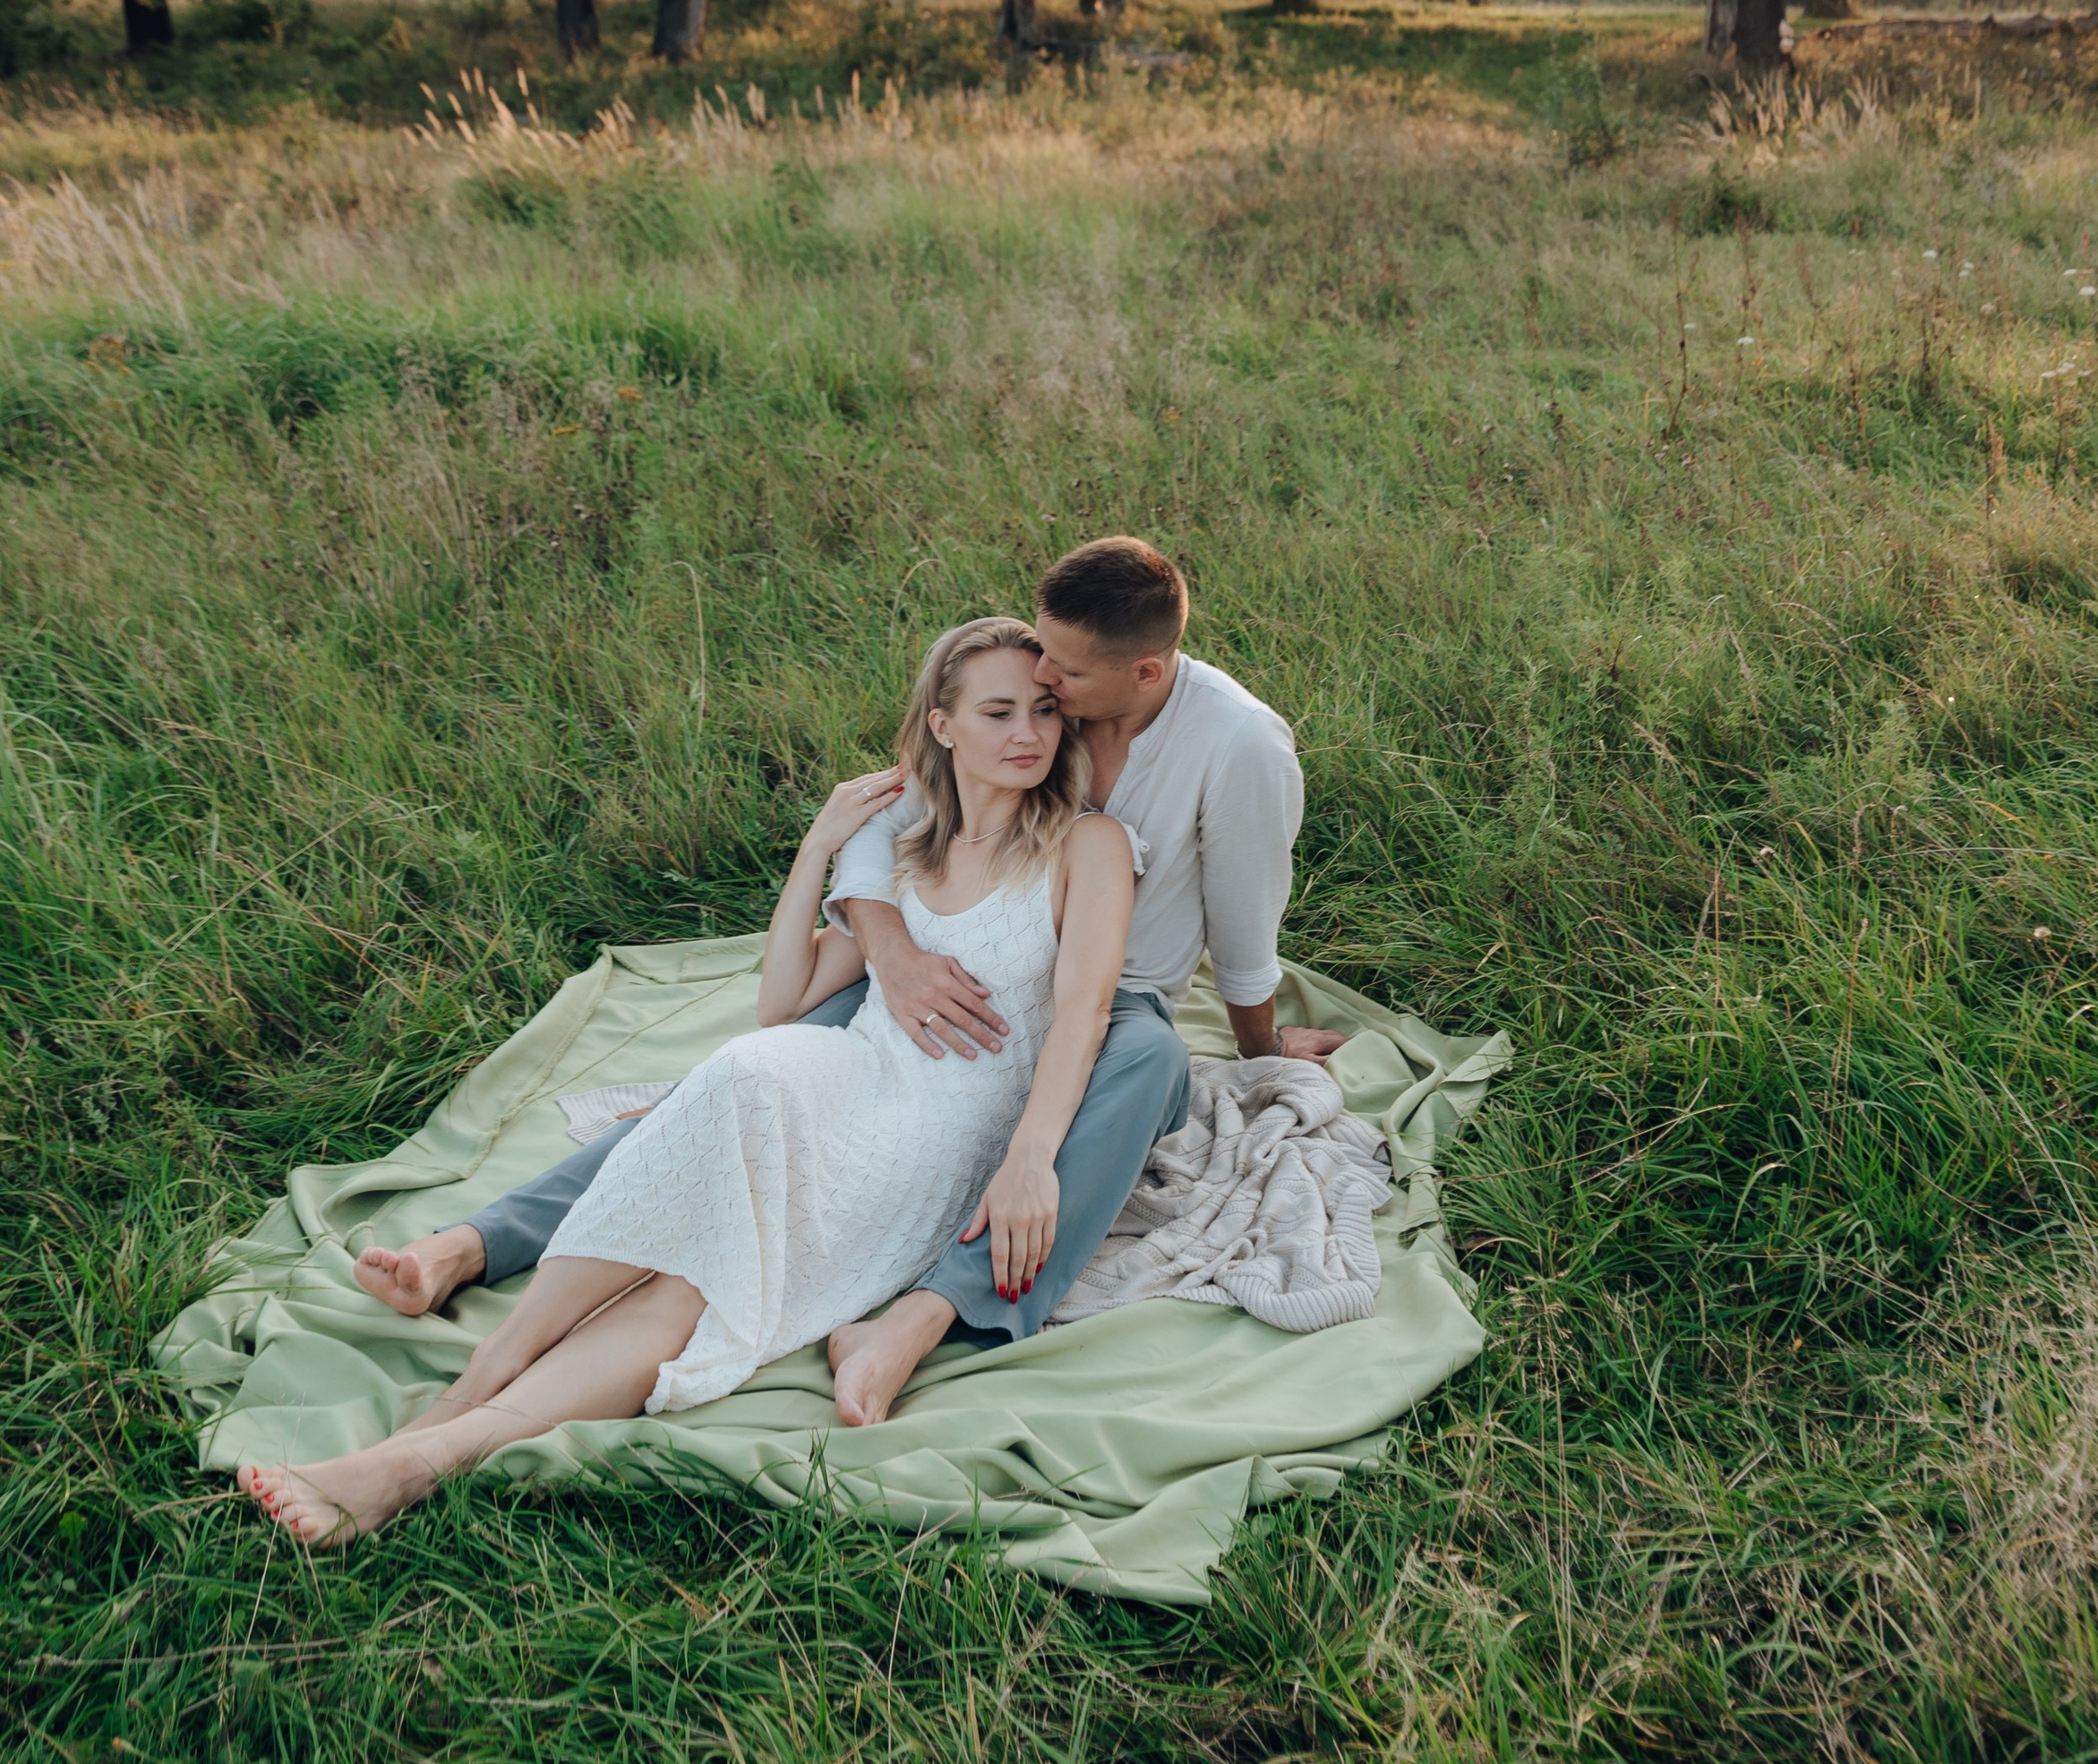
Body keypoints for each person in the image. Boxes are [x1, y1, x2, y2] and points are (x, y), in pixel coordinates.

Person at [355, 538, 1338, 1427]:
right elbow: (908, 815)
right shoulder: (1040, 700)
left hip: (1110, 994)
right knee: (761, 1068)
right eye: (1030, 670)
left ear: (1145, 672)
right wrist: (891, 949)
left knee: (1144, 1058)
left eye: (1059, 679)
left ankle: (932, 1309)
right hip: (950, 963)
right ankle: (482, 1241)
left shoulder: (1233, 746)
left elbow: (1246, 931)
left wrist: (1260, 1057)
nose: (1041, 684)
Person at [238, 617, 1135, 1546]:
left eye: (1042, 709)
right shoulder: (908, 855)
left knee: (694, 1284)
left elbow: (1085, 1012)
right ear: (942, 726)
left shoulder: (1087, 844)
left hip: (937, 1128)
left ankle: (422, 1457)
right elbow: (781, 1000)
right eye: (998, 710)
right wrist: (818, 846)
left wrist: (1031, 1154)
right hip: (842, 1074)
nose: (1027, 732)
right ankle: (469, 1387)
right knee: (742, 1071)